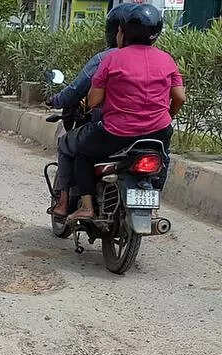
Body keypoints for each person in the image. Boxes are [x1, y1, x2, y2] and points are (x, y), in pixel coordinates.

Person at [66, 4, 186, 221]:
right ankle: (153, 203)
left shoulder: (112, 59)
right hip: (158, 133)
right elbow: (180, 97)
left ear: (123, 32)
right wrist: (168, 115)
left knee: (82, 153)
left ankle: (87, 207)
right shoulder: (167, 60)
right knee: (163, 159)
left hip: (116, 133)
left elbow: (93, 101)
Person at [47, 2, 137, 218]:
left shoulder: (106, 58)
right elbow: (179, 97)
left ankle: (66, 202)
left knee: (72, 147)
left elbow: (81, 92)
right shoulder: (160, 58)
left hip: (111, 129)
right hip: (151, 131)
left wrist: (55, 100)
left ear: (118, 31)